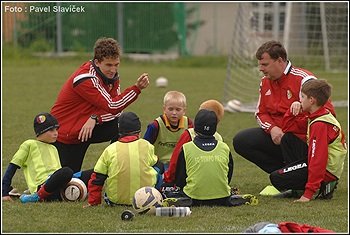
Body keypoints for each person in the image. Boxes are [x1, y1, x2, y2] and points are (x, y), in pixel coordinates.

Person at [232, 40, 336, 174]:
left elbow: (328, 115)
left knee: (288, 138)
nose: (261, 69)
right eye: (260, 65)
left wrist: (301, 114)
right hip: (280, 138)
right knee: (242, 140)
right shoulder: (265, 82)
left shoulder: (305, 80)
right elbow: (260, 113)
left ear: (280, 61)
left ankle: (300, 175)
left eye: (265, 64)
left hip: (304, 143)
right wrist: (273, 129)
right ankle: (282, 175)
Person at [50, 37, 149, 173]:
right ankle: (102, 173)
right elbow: (113, 106)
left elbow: (116, 111)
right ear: (97, 62)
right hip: (65, 135)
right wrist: (136, 89)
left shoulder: (111, 76)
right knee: (65, 184)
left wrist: (95, 117)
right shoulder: (85, 79)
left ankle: (117, 169)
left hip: (85, 130)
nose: (113, 70)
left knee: (122, 124)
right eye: (108, 65)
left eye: (116, 64)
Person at [270, 79, 347, 202]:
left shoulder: (320, 124)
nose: (300, 100)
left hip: (327, 170)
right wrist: (291, 111)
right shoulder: (317, 115)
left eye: (302, 96)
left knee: (276, 178)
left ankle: (323, 185)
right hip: (325, 165)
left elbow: (318, 159)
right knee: (288, 139)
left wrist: (308, 194)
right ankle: (304, 184)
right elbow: (288, 128)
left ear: (311, 100)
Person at [170, 109, 258, 207]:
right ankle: (230, 199)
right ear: (215, 129)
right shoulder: (224, 147)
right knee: (224, 195)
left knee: (181, 192)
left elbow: (180, 178)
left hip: (194, 196)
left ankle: (185, 200)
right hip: (222, 196)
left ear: (194, 129)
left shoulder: (186, 148)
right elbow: (228, 174)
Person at [2, 112, 92, 203]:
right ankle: (37, 197)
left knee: (94, 172)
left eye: (57, 130)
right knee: (66, 171)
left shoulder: (54, 148)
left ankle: (80, 191)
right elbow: (12, 167)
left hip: (58, 185)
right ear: (41, 131)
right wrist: (4, 193)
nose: (56, 133)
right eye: (51, 130)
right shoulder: (29, 144)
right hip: (42, 186)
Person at [84, 112, 164, 207]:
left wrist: (93, 202)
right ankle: (157, 195)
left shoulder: (110, 149)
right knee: (159, 165)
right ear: (139, 132)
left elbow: (97, 178)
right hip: (144, 200)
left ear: (119, 131)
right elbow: (155, 163)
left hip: (116, 201)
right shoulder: (147, 145)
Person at [163, 99, 224, 184]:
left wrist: (168, 179)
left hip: (192, 186)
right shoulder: (219, 139)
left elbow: (175, 162)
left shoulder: (189, 134)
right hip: (218, 185)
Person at [143, 91, 193, 171]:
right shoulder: (155, 126)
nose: (174, 113)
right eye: (170, 109)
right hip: (159, 164)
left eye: (178, 109)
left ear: (184, 111)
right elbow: (144, 147)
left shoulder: (189, 124)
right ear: (164, 109)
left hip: (180, 164)